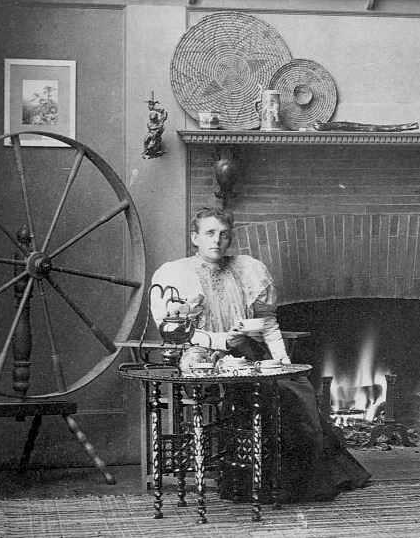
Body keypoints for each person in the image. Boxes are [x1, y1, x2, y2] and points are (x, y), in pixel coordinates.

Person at [149, 207, 371, 502]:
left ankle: (297, 482)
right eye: (210, 234)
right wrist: (219, 341)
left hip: (246, 351)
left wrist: (283, 361)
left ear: (230, 238)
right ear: (195, 238)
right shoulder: (175, 274)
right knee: (265, 392)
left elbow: (268, 323)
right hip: (200, 355)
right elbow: (176, 331)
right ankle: (251, 481)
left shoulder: (247, 269)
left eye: (224, 235)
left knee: (295, 387)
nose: (217, 241)